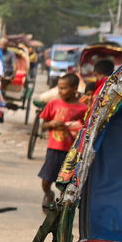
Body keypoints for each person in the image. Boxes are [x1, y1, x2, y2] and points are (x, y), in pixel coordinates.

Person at [37, 72, 87, 210]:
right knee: (46, 181)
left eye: (64, 88)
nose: (60, 91)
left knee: (66, 182)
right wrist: (51, 124)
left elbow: (85, 130)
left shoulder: (83, 109)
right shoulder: (53, 104)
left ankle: (61, 207)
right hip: (54, 148)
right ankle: (48, 194)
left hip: (72, 151)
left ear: (75, 88)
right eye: (59, 88)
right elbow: (43, 125)